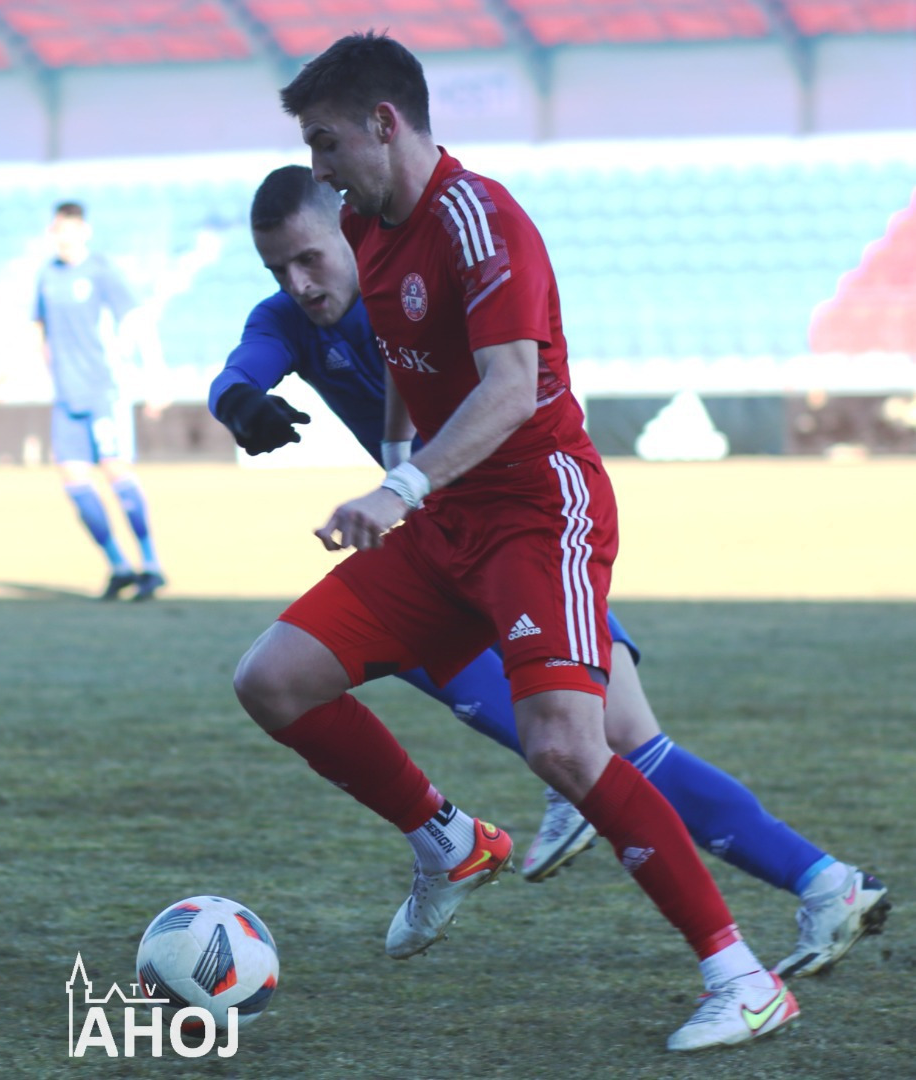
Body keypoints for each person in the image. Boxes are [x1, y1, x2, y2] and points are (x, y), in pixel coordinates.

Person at [232, 33, 797, 1051]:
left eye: (324, 142)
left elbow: (509, 388)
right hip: (441, 521)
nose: (316, 166)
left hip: (538, 512)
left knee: (566, 747)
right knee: (271, 680)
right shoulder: (363, 225)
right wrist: (399, 464)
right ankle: (447, 840)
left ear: (383, 124)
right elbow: (403, 356)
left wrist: (396, 485)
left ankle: (742, 977)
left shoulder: (481, 221)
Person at [212, 163, 889, 981]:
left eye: (309, 258)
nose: (298, 282)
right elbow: (242, 363)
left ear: (349, 233)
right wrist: (237, 401)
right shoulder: (292, 319)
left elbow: (512, 383)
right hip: (441, 548)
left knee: (623, 746)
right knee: (579, 740)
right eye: (277, 269)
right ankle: (464, 837)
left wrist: (402, 477)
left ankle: (811, 886)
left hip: (526, 537)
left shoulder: (420, 280)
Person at [33, 201, 164, 601]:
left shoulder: (101, 271)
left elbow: (136, 321)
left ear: (84, 231)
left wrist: (154, 379)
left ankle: (151, 565)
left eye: (68, 228)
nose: (62, 236)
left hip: (105, 391)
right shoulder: (47, 276)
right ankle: (118, 566)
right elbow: (39, 329)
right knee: (74, 481)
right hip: (66, 396)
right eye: (57, 229)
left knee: (115, 472)